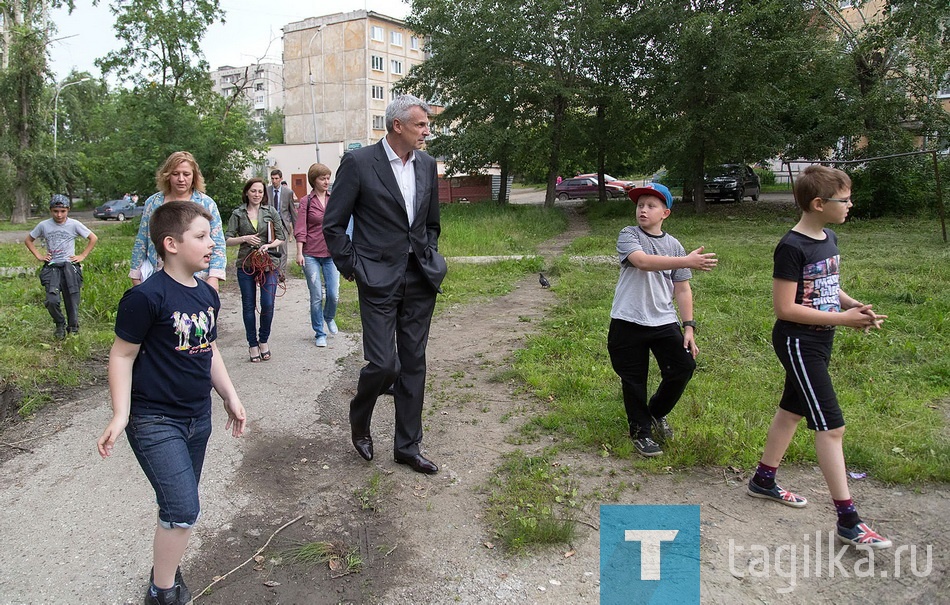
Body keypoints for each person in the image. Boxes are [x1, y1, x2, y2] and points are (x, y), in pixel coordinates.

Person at [96, 201, 246, 605]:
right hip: (153, 420)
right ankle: (161, 592)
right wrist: (120, 414)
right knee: (182, 508)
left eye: (211, 235)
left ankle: (165, 564)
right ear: (171, 244)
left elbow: (209, 347)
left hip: (198, 417)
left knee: (176, 507)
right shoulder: (145, 297)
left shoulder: (207, 296)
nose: (213, 242)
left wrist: (229, 395)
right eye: (201, 236)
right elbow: (122, 355)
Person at [747, 165, 891, 549]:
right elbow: (785, 309)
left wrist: (853, 306)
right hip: (798, 341)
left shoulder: (829, 237)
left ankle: (763, 479)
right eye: (844, 199)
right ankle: (848, 520)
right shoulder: (791, 246)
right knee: (831, 427)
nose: (850, 205)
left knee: (792, 410)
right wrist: (842, 320)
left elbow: (828, 285)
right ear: (818, 203)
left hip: (821, 338)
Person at [323, 94, 447, 475]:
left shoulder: (427, 164)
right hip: (376, 278)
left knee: (414, 363)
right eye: (421, 125)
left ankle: (407, 447)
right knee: (383, 363)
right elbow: (333, 224)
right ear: (398, 126)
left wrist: (428, 255)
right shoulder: (359, 163)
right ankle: (359, 418)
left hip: (419, 276)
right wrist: (356, 268)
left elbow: (430, 222)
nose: (427, 131)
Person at [606, 183, 718, 457]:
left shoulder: (675, 246)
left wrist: (688, 326)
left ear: (665, 213)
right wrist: (686, 262)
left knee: (683, 366)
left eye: (651, 205)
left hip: (663, 321)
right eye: (640, 205)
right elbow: (642, 261)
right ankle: (640, 432)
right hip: (628, 320)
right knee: (634, 380)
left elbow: (682, 289)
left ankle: (654, 413)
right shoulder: (628, 234)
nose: (643, 210)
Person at [130, 151, 227, 290]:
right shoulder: (153, 203)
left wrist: (214, 277)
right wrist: (135, 274)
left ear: (194, 176)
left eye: (186, 174)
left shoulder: (206, 203)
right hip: (158, 276)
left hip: (197, 278)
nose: (181, 179)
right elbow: (142, 239)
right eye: (176, 174)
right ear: (167, 175)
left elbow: (217, 243)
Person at [226, 178, 286, 362]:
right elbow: (227, 239)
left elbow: (282, 237)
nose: (257, 195)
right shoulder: (238, 213)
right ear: (247, 192)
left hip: (268, 263)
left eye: (260, 191)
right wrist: (244, 238)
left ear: (264, 194)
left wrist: (268, 246)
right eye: (253, 191)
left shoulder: (271, 211)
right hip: (246, 264)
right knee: (248, 305)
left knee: (267, 303)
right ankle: (252, 344)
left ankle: (264, 340)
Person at [25, 194, 99, 339]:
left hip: (69, 266)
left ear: (68, 210)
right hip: (52, 267)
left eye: (62, 211)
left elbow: (93, 238)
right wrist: (39, 256)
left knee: (72, 299)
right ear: (50, 210)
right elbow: (28, 240)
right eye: (55, 211)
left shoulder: (74, 224)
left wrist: (82, 256)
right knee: (51, 300)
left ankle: (73, 328)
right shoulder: (44, 225)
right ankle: (59, 323)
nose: (59, 215)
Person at [295, 163, 340, 348]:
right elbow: (301, 228)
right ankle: (319, 332)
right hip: (311, 253)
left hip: (331, 253)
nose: (326, 181)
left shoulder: (334, 198)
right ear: (314, 180)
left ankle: (329, 317)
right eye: (323, 178)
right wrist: (299, 252)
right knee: (316, 296)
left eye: (328, 178)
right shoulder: (306, 201)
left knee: (333, 294)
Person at [269, 169, 298, 279]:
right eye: (272, 178)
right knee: (271, 248)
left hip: (283, 223)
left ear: (281, 179)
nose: (274, 181)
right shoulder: (267, 191)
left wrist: (296, 228)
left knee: (283, 248)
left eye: (276, 178)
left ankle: (281, 273)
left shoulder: (287, 192)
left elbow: (292, 210)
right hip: (271, 224)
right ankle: (272, 271)